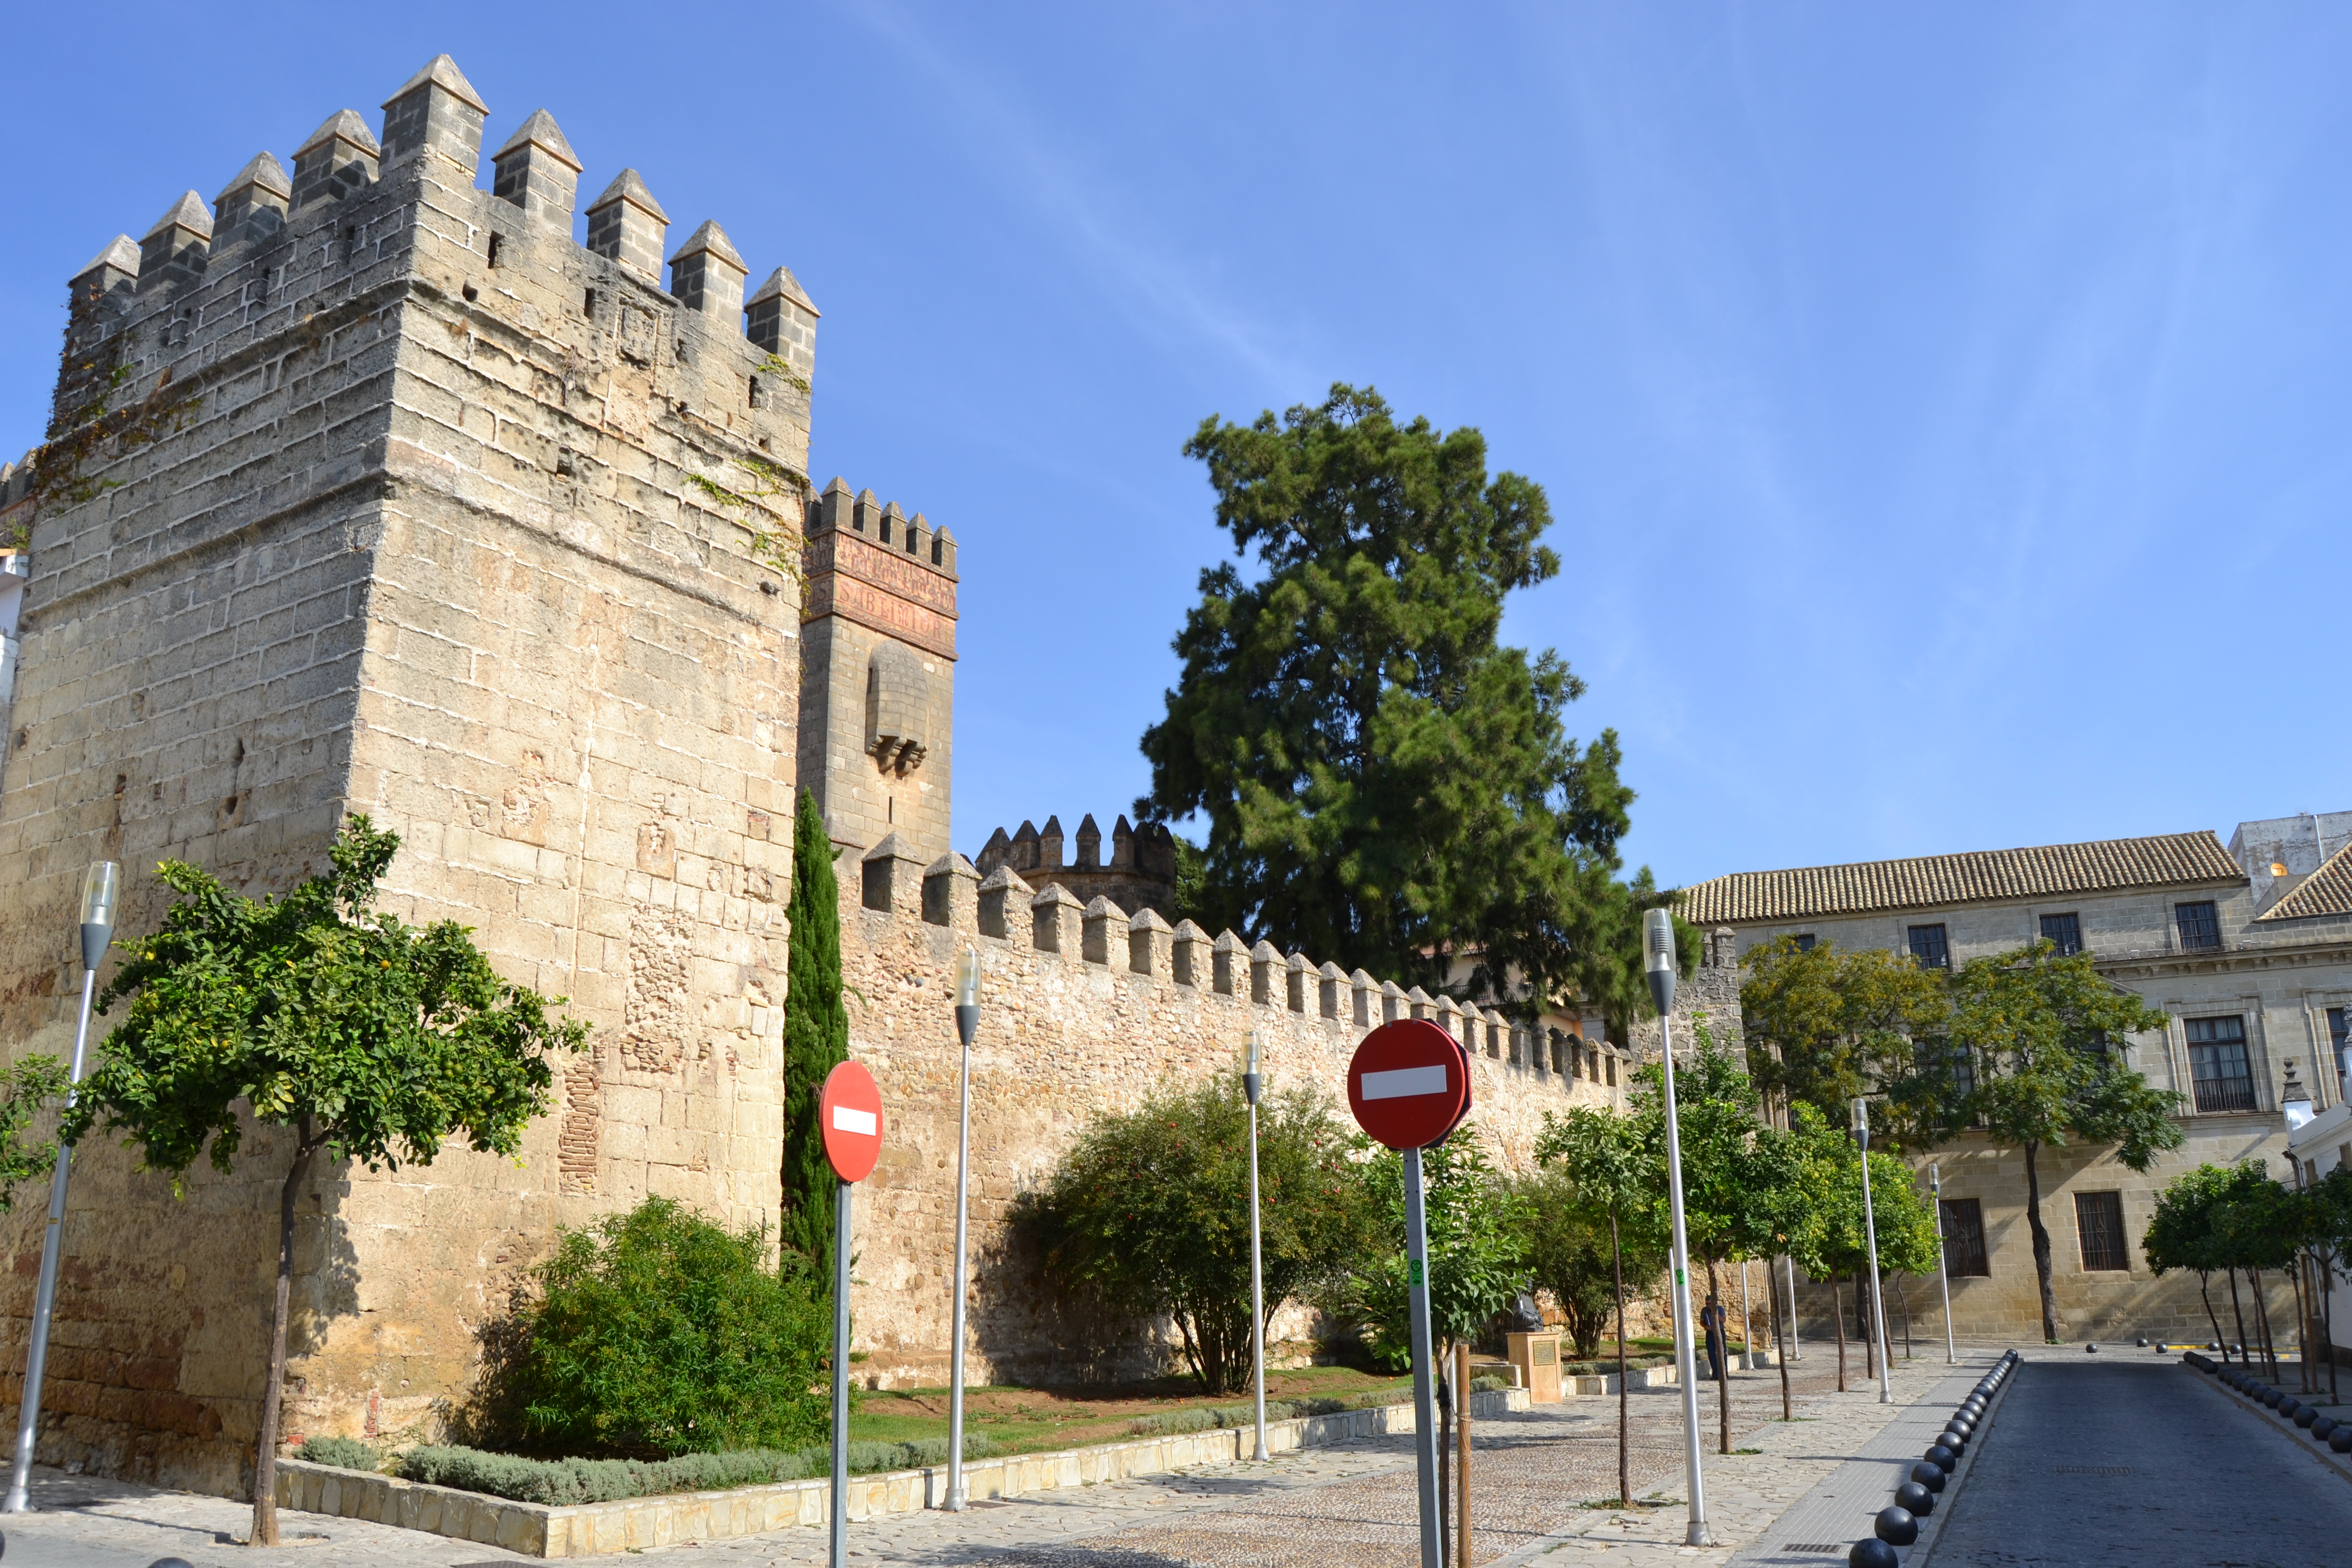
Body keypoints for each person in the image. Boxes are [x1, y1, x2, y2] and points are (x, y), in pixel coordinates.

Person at [1700, 1294, 1728, 1382]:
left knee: (1722, 1353)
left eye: (1710, 1304)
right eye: (1707, 1304)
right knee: (1712, 1354)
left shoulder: (1719, 1309)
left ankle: (1724, 1373)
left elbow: (1723, 1320)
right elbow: (1701, 1322)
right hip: (1710, 1333)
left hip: (1720, 1332)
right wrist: (1705, 1327)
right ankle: (1715, 1374)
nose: (1708, 1306)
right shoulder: (1704, 1310)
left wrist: (1714, 1312)